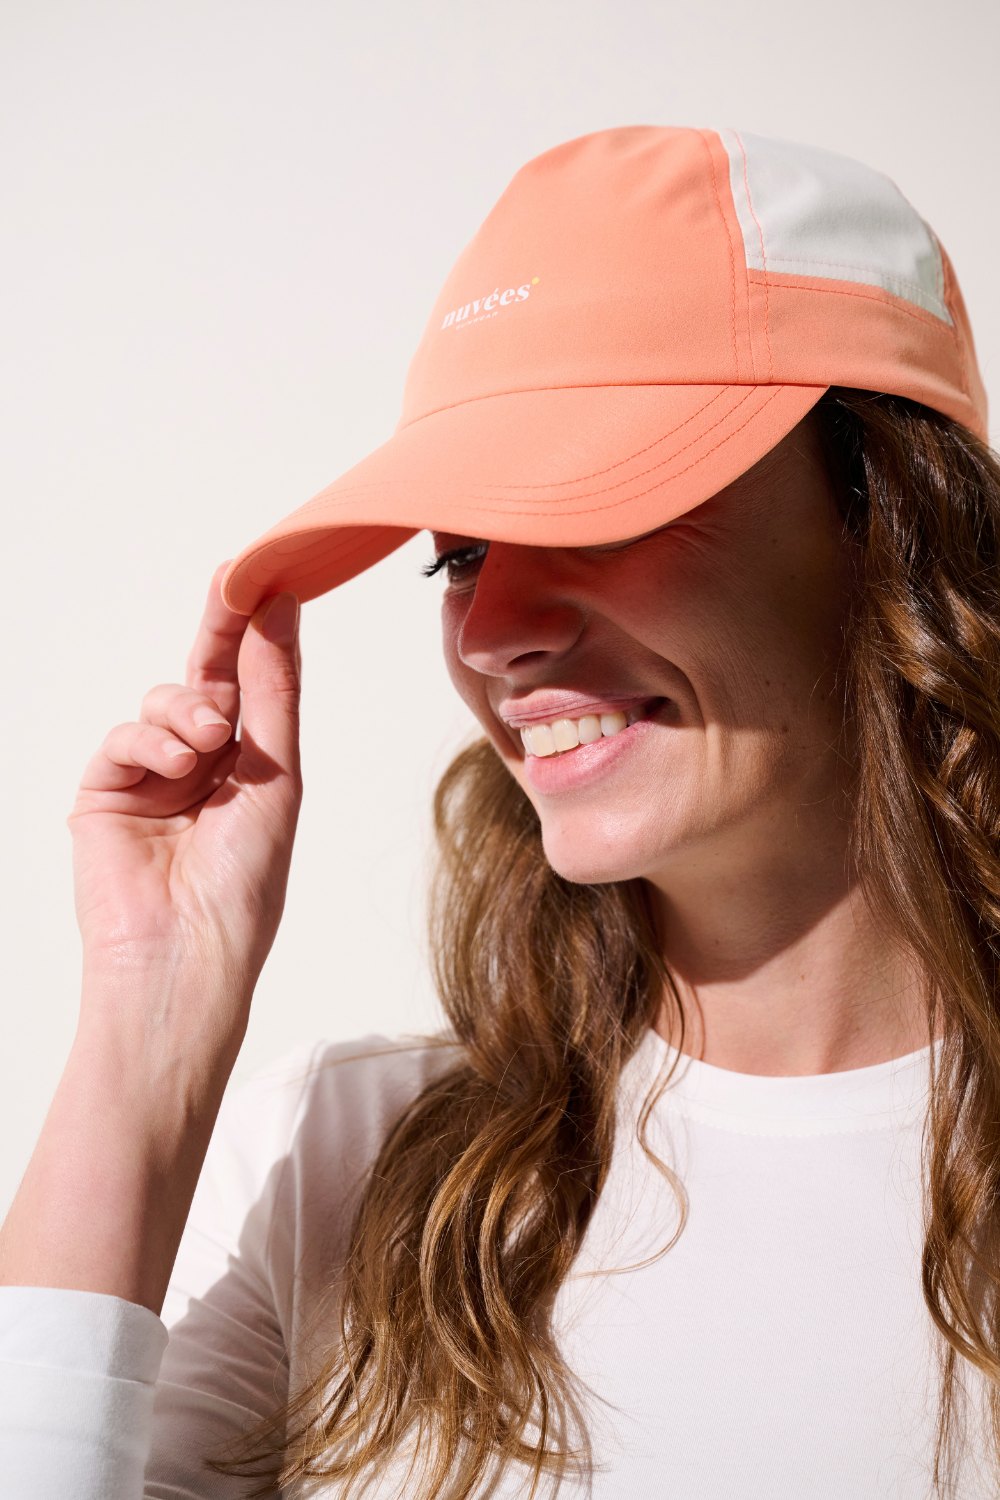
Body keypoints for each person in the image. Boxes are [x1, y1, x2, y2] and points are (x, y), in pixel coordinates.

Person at [0, 124, 996, 1499]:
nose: (496, 631)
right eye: (460, 554)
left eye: (602, 502)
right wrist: (146, 1027)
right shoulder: (347, 1167)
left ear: (885, 518)